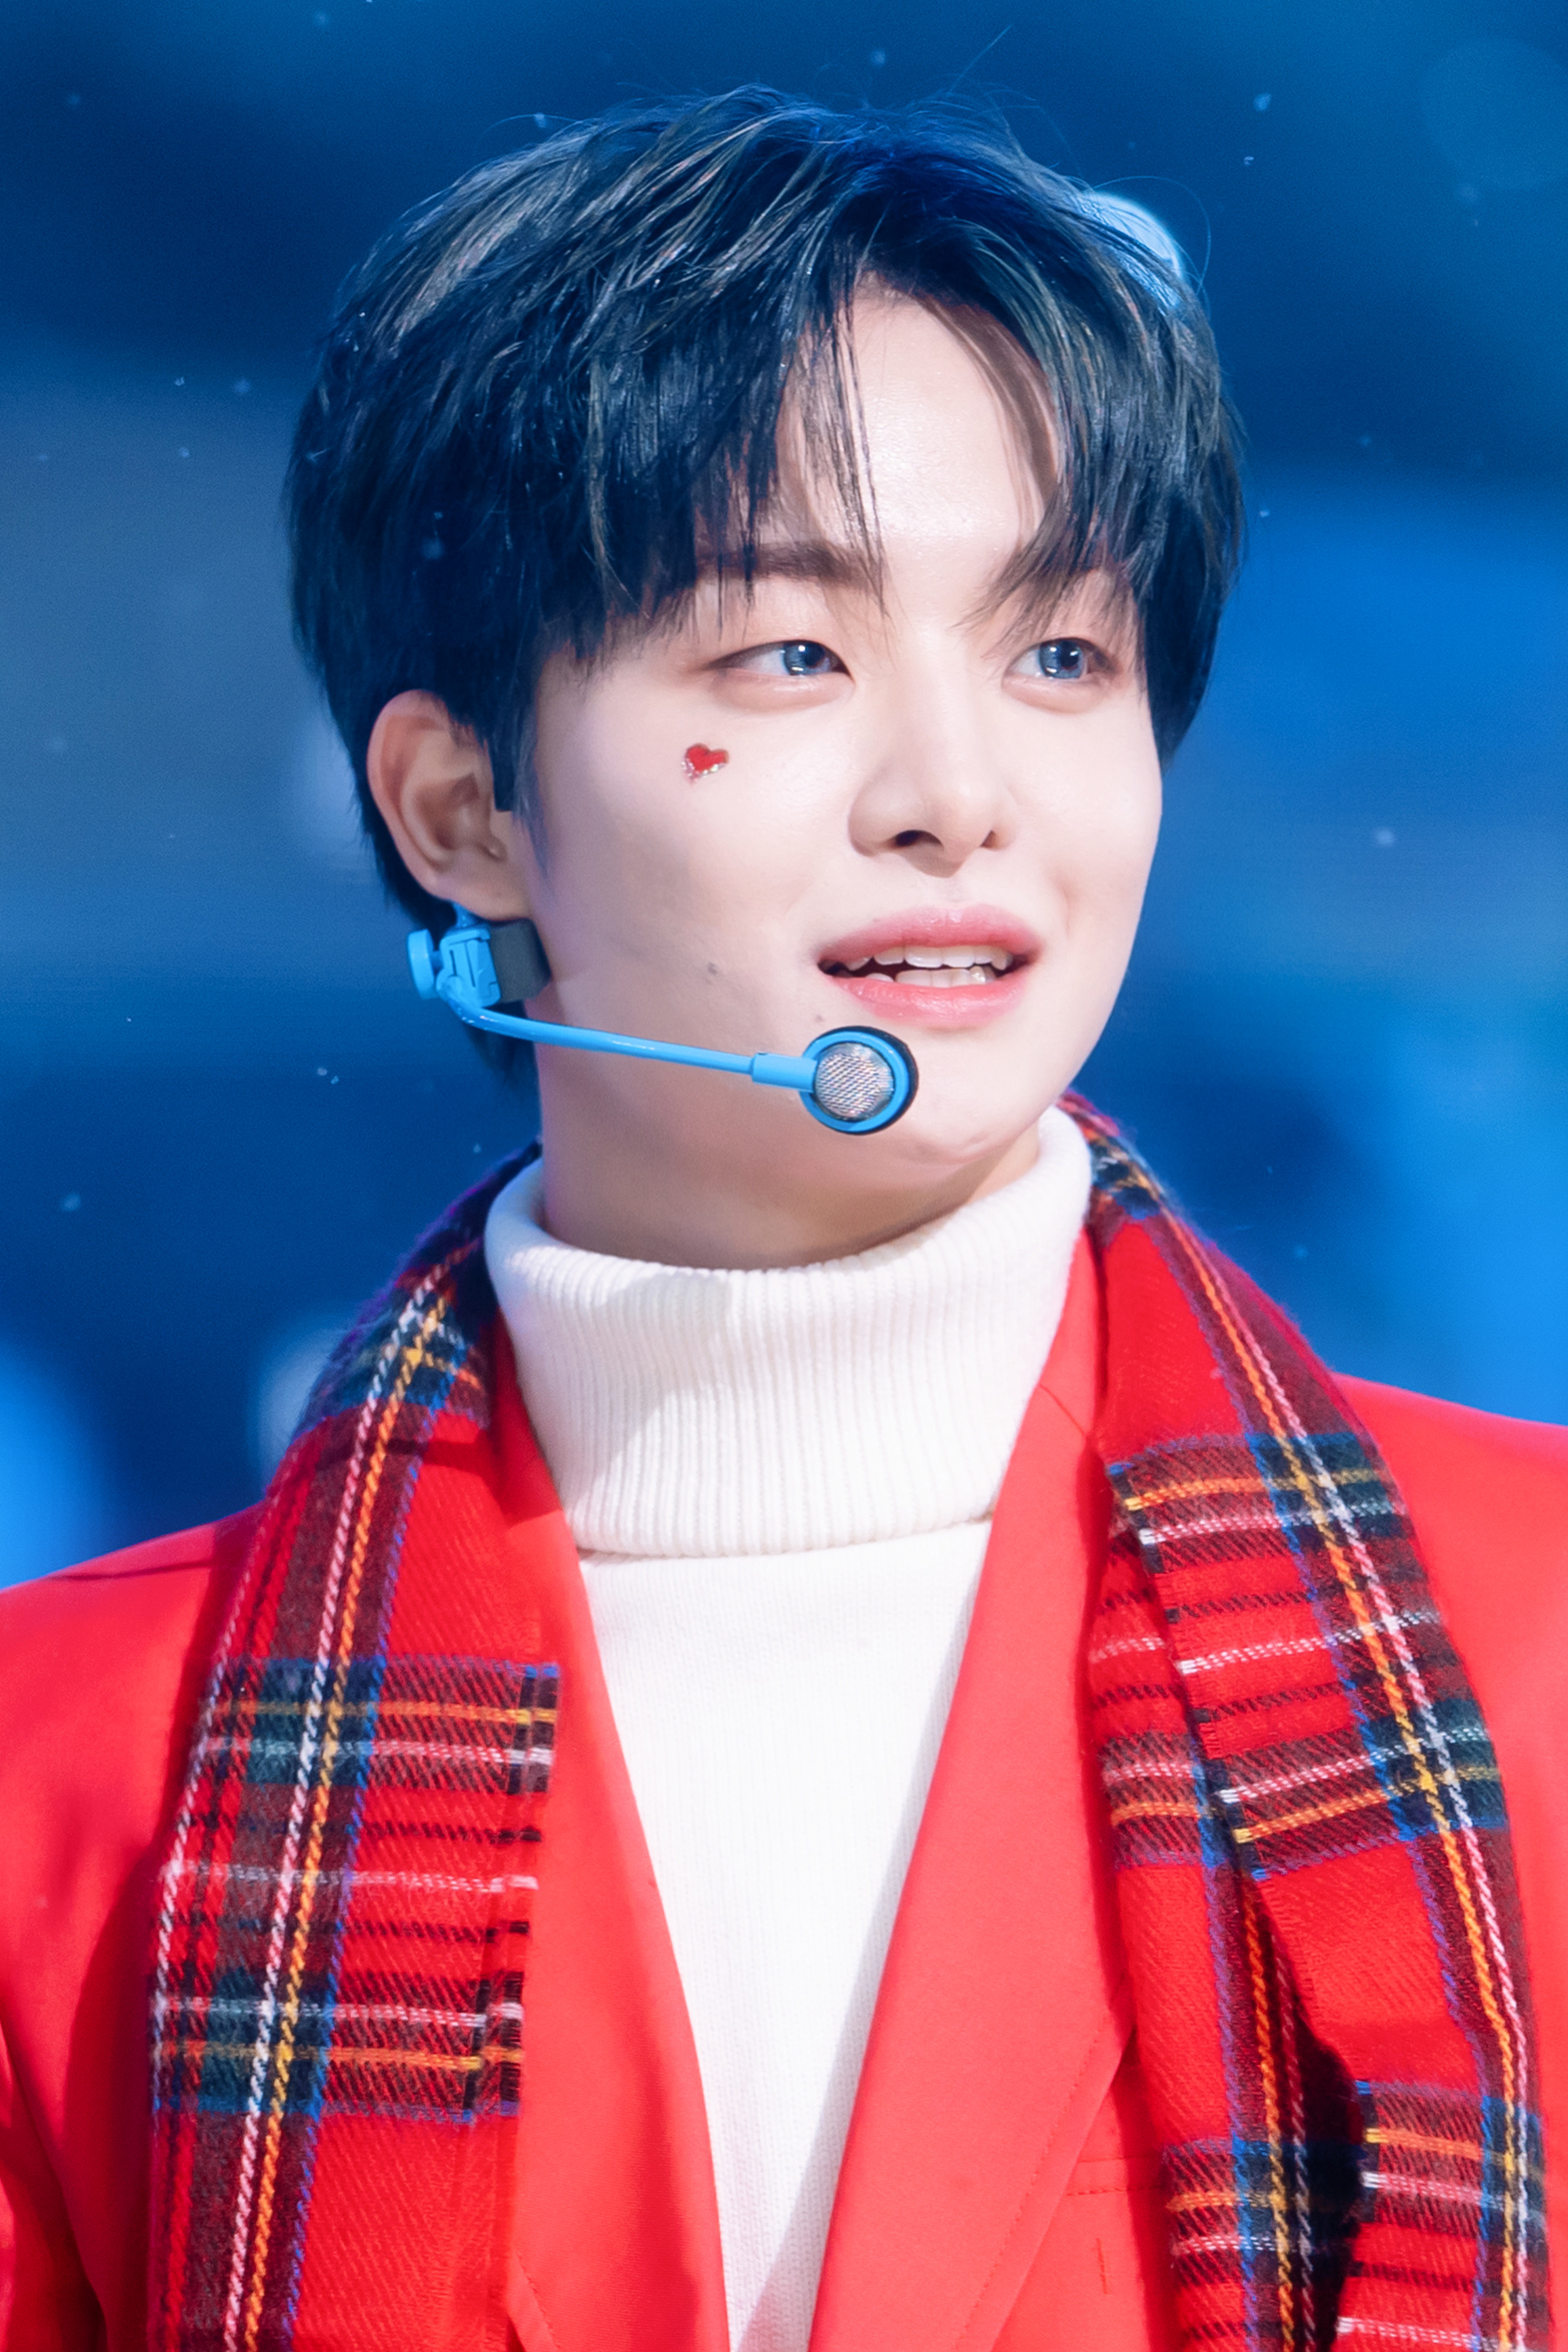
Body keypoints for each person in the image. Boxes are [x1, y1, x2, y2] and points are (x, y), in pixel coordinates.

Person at [1, 90, 1562, 2352]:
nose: (959, 795)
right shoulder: (73, 1778)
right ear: (461, 808)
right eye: (789, 657)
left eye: (1062, 656)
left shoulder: (1529, 1641)